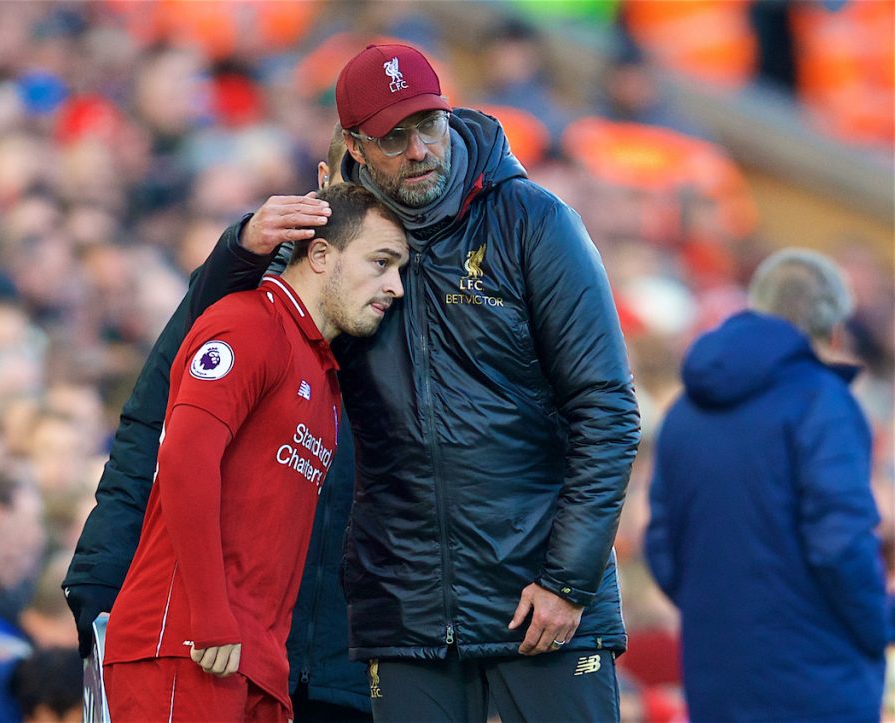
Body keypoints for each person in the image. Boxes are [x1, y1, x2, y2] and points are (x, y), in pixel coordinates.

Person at [198, 42, 640, 721]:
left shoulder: (534, 221)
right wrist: (241, 247)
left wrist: (567, 580)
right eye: (393, 136)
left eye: (427, 124)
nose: (418, 149)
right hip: (404, 606)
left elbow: (607, 408)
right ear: (354, 144)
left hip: (542, 600)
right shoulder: (333, 236)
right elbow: (224, 338)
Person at [64, 127, 375, 721]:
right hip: (199, 632)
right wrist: (102, 573)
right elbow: (157, 427)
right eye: (352, 188)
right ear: (320, 184)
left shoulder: (398, 300)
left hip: (329, 655)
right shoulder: (246, 295)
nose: (364, 214)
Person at [644, 248, 889, 722]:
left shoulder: (685, 409)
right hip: (819, 677)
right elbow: (842, 544)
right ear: (833, 331)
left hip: (715, 672)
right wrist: (876, 623)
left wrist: (719, 612)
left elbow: (662, 546)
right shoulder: (823, 401)